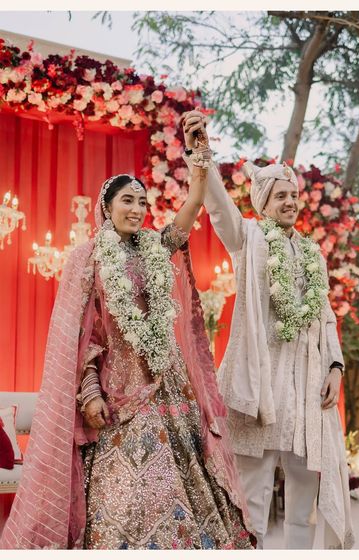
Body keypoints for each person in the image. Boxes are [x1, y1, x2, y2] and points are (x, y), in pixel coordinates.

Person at [0, 114, 254, 550]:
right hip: (118, 390)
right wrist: (89, 392)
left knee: (186, 484)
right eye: (127, 201)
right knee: (125, 496)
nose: (137, 209)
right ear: (107, 207)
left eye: (141, 202)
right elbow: (81, 338)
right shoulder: (87, 259)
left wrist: (198, 155)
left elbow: (192, 207)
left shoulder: (157, 247)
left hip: (168, 383)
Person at [182, 111, 355, 550]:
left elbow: (325, 317)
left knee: (304, 502)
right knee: (253, 501)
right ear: (262, 203)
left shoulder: (314, 255)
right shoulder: (249, 241)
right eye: (280, 195)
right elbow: (218, 207)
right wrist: (202, 154)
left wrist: (335, 366)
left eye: (293, 195)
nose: (290, 202)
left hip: (308, 390)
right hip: (261, 391)